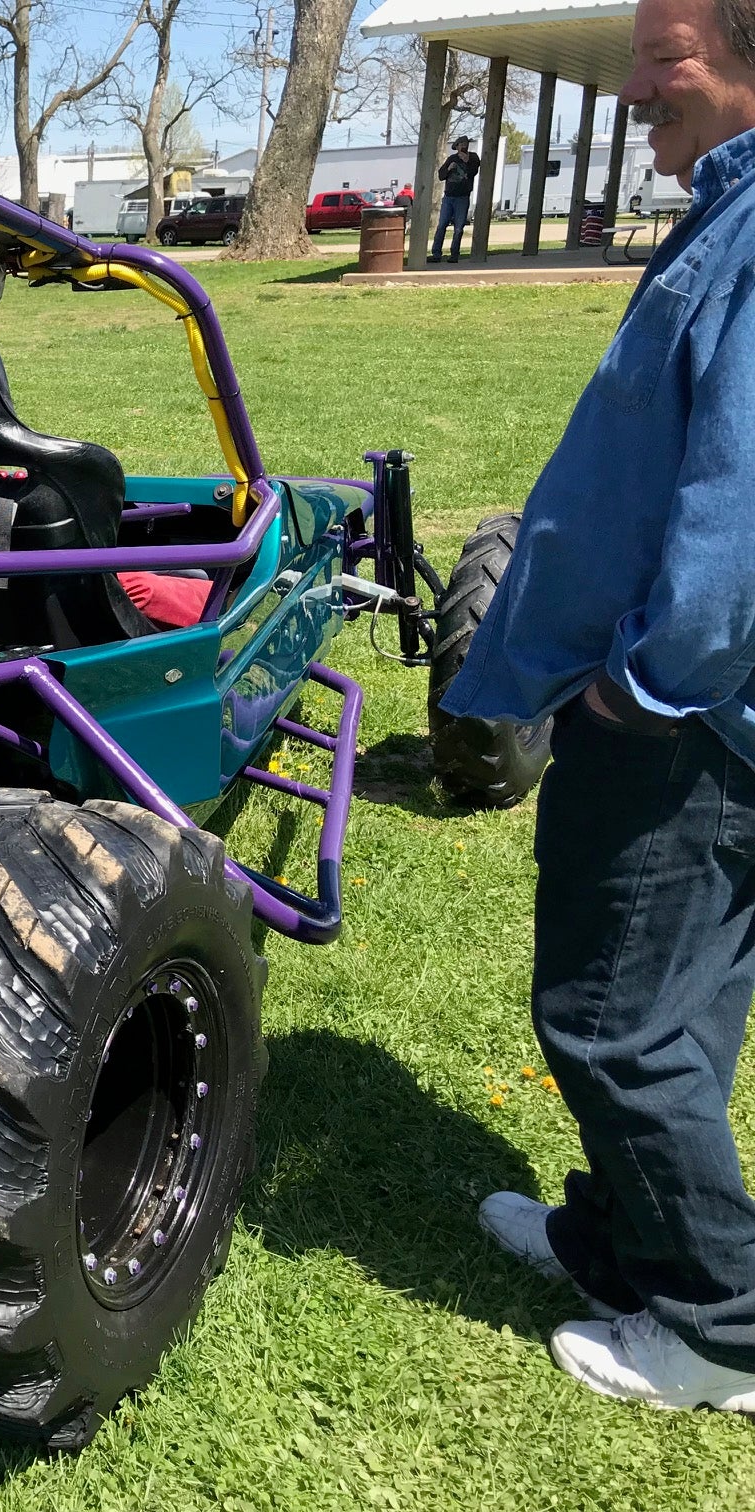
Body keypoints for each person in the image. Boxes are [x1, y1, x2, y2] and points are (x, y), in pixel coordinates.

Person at [440, 0, 755, 1412]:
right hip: (698, 712)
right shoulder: (730, 209)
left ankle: (717, 1326)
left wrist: (644, 686)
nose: (637, 94)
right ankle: (622, 1245)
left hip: (687, 723)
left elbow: (739, 521)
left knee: (612, 1018)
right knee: (676, 1005)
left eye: (668, 61)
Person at [429, 136, 481, 262]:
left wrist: (467, 161)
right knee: (441, 226)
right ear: (456, 147)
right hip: (448, 197)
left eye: (466, 143)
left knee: (458, 228)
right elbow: (441, 176)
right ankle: (436, 254)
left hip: (462, 198)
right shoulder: (452, 158)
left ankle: (454, 254)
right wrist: (448, 169)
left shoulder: (473, 157)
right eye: (461, 144)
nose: (464, 146)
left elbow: (473, 172)